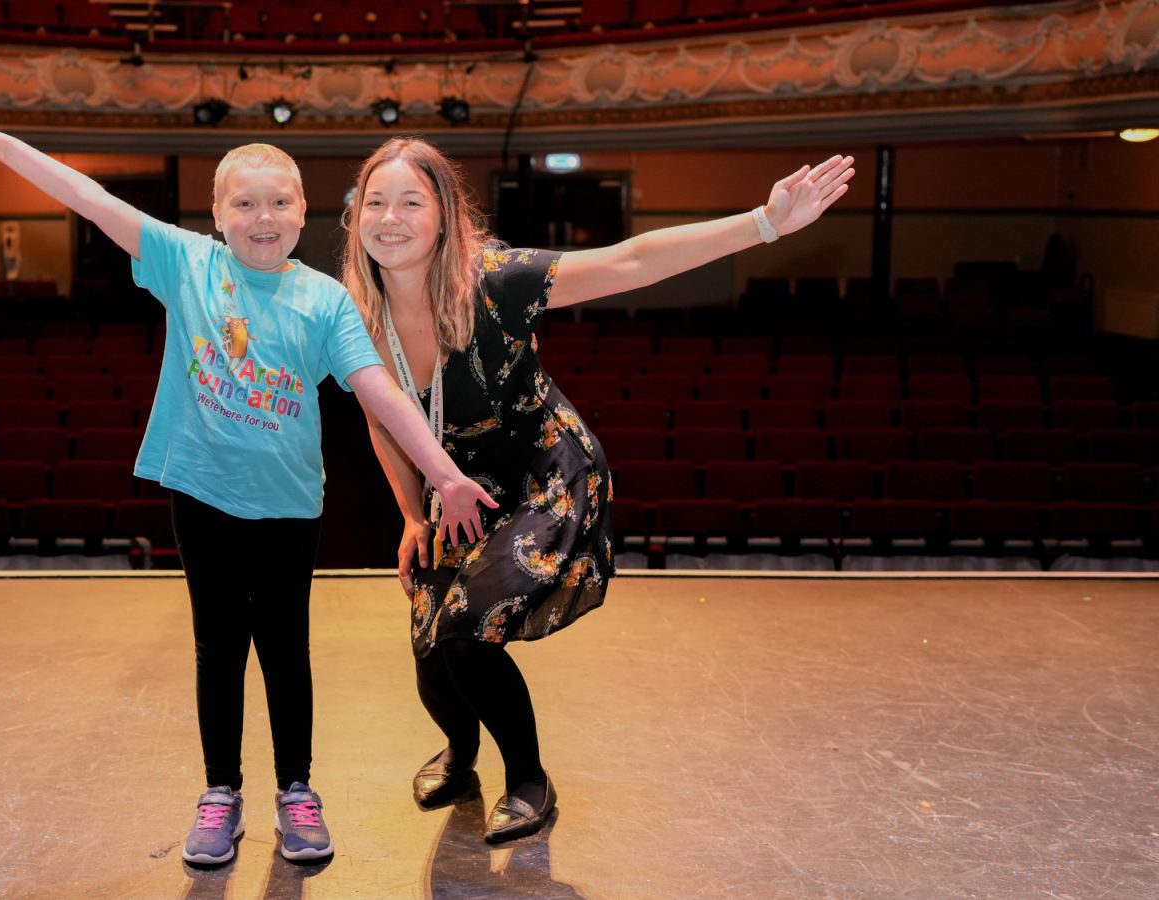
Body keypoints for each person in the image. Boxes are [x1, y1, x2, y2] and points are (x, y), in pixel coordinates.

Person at [0, 112, 497, 865]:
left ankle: (298, 791)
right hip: (201, 495)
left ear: (306, 211)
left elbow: (381, 396)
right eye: (245, 204)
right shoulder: (185, 264)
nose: (264, 218)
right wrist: (0, 148)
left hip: (290, 505)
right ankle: (219, 794)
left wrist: (447, 475)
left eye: (281, 202)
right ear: (218, 216)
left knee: (287, 650)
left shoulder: (325, 300)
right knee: (218, 647)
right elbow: (90, 198)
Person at [342, 137, 853, 842]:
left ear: (444, 215)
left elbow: (631, 261)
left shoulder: (496, 279)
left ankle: (528, 777)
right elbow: (381, 422)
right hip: (457, 483)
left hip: (546, 473)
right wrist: (409, 514)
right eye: (376, 202)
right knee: (430, 646)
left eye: (410, 201)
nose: (390, 218)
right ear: (355, 217)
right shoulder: (352, 313)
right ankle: (462, 757)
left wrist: (762, 223)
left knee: (465, 631)